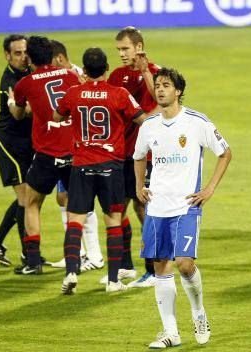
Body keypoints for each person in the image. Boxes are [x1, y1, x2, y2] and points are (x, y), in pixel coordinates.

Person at [133, 68, 231, 348]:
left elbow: (225, 152)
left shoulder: (196, 122)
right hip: (157, 206)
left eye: (166, 85)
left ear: (178, 91)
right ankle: (170, 332)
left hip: (187, 204)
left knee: (185, 264)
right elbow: (138, 156)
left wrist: (210, 188)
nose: (160, 89)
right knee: (159, 265)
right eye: (158, 85)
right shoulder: (149, 125)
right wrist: (140, 185)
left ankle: (199, 312)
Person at [53, 47, 148, 293]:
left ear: (84, 71)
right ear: (107, 69)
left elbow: (58, 114)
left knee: (75, 220)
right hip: (111, 166)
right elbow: (143, 120)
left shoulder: (73, 93)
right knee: (113, 220)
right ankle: (114, 280)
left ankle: (72, 272)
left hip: (82, 165)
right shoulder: (119, 94)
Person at [7, 35, 81, 274]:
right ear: (51, 56)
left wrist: (11, 101)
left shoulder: (24, 84)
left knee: (30, 202)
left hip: (47, 155)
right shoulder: (70, 76)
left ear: (29, 57)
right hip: (74, 152)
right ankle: (74, 262)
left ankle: (33, 261)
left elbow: (18, 114)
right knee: (73, 206)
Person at [105, 26, 161, 288]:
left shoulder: (158, 73)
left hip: (147, 155)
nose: (121, 54)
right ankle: (126, 265)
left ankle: (153, 269)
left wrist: (145, 70)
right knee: (118, 207)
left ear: (139, 47)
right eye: (118, 50)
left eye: (125, 48)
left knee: (144, 207)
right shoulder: (116, 75)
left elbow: (158, 100)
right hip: (121, 152)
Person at [47, 39, 104, 272]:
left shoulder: (80, 79)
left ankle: (95, 255)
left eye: (49, 64)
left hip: (79, 148)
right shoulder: (64, 80)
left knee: (81, 201)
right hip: (64, 146)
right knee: (63, 198)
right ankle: (78, 253)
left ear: (59, 59)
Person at [0, 34, 32, 267]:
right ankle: (29, 255)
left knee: (29, 197)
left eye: (25, 52)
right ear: (7, 55)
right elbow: (18, 114)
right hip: (8, 144)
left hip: (26, 143)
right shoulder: (10, 81)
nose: (23, 57)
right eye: (17, 53)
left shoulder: (30, 73)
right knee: (25, 197)